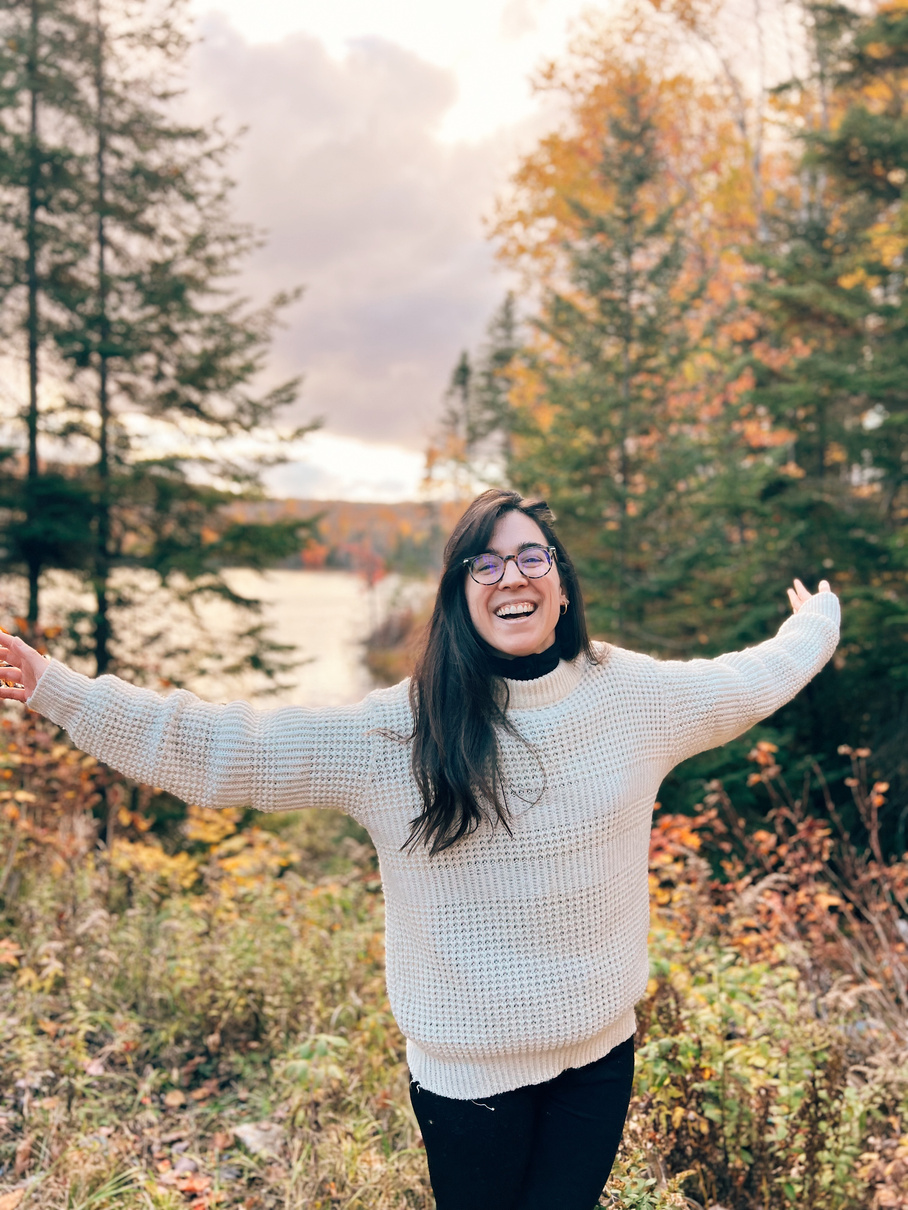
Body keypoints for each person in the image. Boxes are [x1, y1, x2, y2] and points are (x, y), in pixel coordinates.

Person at [0, 488, 840, 1210]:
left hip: (598, 1061)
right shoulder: (399, 732)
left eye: (531, 558)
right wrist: (57, 689)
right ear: (459, 592)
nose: (512, 576)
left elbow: (749, 679)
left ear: (560, 581)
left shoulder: (633, 696)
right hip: (469, 1082)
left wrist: (816, 625)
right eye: (486, 563)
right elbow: (225, 749)